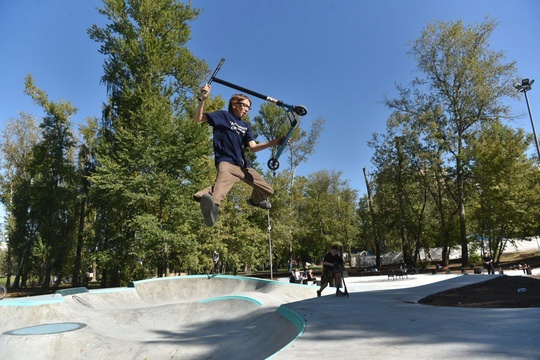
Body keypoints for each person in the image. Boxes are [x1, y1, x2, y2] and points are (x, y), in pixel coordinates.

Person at [193, 83, 285, 227]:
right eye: (244, 105)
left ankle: (255, 201)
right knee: (219, 193)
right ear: (234, 104)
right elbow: (198, 118)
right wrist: (203, 99)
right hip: (227, 163)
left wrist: (275, 142)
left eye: (249, 107)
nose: (247, 109)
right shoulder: (223, 115)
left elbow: (253, 147)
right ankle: (211, 211)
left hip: (243, 167)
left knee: (268, 190)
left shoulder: (246, 126)